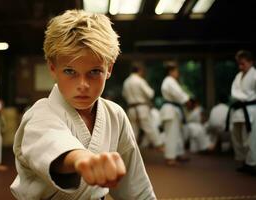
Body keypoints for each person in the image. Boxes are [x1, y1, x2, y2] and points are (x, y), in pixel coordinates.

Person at [10, 10, 156, 199]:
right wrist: (82, 159)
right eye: (70, 71)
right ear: (53, 68)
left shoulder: (115, 115)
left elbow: (136, 188)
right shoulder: (41, 114)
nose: (83, 85)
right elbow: (51, 142)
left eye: (94, 72)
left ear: (109, 68)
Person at [227, 50, 256, 175]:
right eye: (239, 64)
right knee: (237, 138)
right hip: (238, 111)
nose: (240, 67)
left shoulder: (255, 75)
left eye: (243, 64)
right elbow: (234, 91)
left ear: (251, 62)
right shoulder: (238, 76)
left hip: (250, 110)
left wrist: (245, 97)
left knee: (249, 139)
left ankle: (252, 163)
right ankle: (244, 161)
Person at [122, 65, 164, 151]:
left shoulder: (126, 82)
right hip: (142, 107)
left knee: (133, 130)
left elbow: (124, 95)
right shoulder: (140, 81)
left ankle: (129, 149)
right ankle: (159, 144)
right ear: (140, 71)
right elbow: (150, 94)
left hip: (131, 108)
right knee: (149, 127)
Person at [160, 62, 190, 165]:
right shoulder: (169, 81)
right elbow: (178, 94)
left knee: (176, 133)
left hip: (173, 109)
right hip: (170, 109)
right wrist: (187, 100)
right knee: (171, 134)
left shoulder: (169, 81)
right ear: (171, 71)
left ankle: (178, 153)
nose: (178, 73)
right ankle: (170, 158)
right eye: (176, 71)